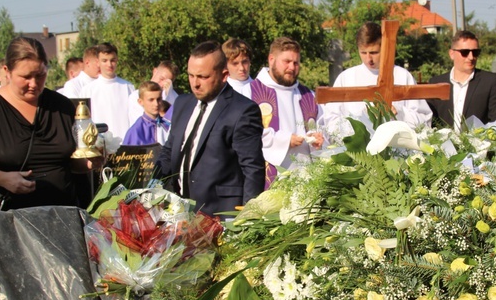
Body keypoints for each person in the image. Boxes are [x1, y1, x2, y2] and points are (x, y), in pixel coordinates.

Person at [0, 37, 96, 209]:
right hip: (7, 223)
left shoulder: (62, 106)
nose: (34, 84)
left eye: (40, 75)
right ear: (7, 71)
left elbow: (71, 163)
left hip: (64, 219)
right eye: (26, 77)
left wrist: (90, 162)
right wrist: (1, 178)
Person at [155, 41, 265, 214]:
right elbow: (170, 150)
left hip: (221, 214)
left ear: (223, 75)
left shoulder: (242, 110)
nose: (195, 83)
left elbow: (252, 169)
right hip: (179, 211)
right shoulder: (182, 103)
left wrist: (249, 218)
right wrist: (152, 186)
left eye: (203, 77)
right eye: (191, 76)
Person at [321, 22, 432, 139]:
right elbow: (330, 121)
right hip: (358, 151)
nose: (369, 59)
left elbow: (424, 121)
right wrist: (357, 126)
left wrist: (399, 112)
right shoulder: (346, 78)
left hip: (398, 150)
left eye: (374, 53)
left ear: (384, 48)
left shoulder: (403, 76)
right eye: (363, 53)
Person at [250, 37, 323, 187]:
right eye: (287, 61)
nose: (292, 67)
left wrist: (320, 138)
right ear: (271, 60)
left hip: (306, 181)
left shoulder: (308, 96)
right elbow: (248, 134)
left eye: (296, 63)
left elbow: (324, 127)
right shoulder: (250, 93)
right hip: (268, 181)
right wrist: (284, 140)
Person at [427, 30, 496, 131]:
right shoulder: (436, 83)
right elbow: (429, 121)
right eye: (465, 52)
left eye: (475, 52)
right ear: (452, 54)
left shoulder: (490, 82)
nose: (471, 57)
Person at [85, 42, 135, 140]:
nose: (109, 64)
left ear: (117, 60)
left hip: (124, 143)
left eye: (112, 60)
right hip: (99, 143)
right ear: (97, 62)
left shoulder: (128, 87)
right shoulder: (88, 90)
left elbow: (133, 118)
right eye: (104, 60)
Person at [127, 61, 179, 125]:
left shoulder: (174, 97)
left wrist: (168, 96)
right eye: (161, 79)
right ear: (155, 71)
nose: (162, 85)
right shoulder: (136, 96)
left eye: (167, 83)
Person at [123, 81, 171, 146]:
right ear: (140, 102)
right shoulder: (136, 131)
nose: (156, 104)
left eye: (159, 99)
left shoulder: (168, 125)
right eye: (151, 100)